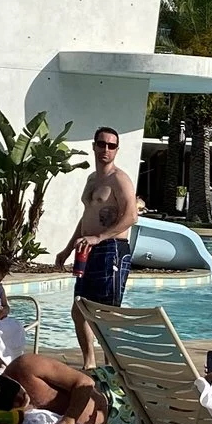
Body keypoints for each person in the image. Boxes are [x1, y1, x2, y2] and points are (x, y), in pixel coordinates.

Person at [56, 126, 138, 363]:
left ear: (116, 150)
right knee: (79, 309)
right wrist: (68, 248)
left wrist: (99, 237)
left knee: (107, 313)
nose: (106, 150)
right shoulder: (92, 179)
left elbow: (131, 216)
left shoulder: (119, 180)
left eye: (111, 146)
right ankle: (89, 363)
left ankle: (112, 365)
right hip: (87, 249)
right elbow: (87, 217)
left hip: (111, 249)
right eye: (102, 144)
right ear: (94, 146)